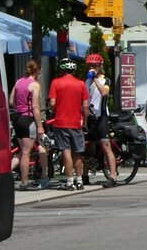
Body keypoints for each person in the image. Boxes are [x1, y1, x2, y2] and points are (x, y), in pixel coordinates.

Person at [49, 57, 88, 190]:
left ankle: (70, 182)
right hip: (76, 122)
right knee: (77, 153)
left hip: (61, 122)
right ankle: (79, 180)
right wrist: (85, 122)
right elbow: (86, 106)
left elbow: (53, 103)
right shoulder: (81, 84)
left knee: (66, 152)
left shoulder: (56, 82)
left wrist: (57, 109)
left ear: (62, 69)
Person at [9, 58, 47, 190]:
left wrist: (20, 104)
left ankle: (5, 172)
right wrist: (40, 125)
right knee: (26, 152)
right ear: (38, 70)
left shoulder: (19, 82)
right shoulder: (35, 85)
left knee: (21, 151)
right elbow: (35, 107)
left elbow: (11, 100)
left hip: (17, 118)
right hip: (28, 119)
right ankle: (24, 182)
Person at [86, 54, 118, 187]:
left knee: (106, 146)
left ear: (100, 66)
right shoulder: (87, 80)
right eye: (90, 66)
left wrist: (95, 78)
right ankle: (84, 174)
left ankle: (113, 176)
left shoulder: (106, 80)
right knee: (86, 147)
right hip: (90, 117)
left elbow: (104, 93)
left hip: (102, 117)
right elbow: (85, 96)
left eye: (95, 65)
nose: (92, 68)